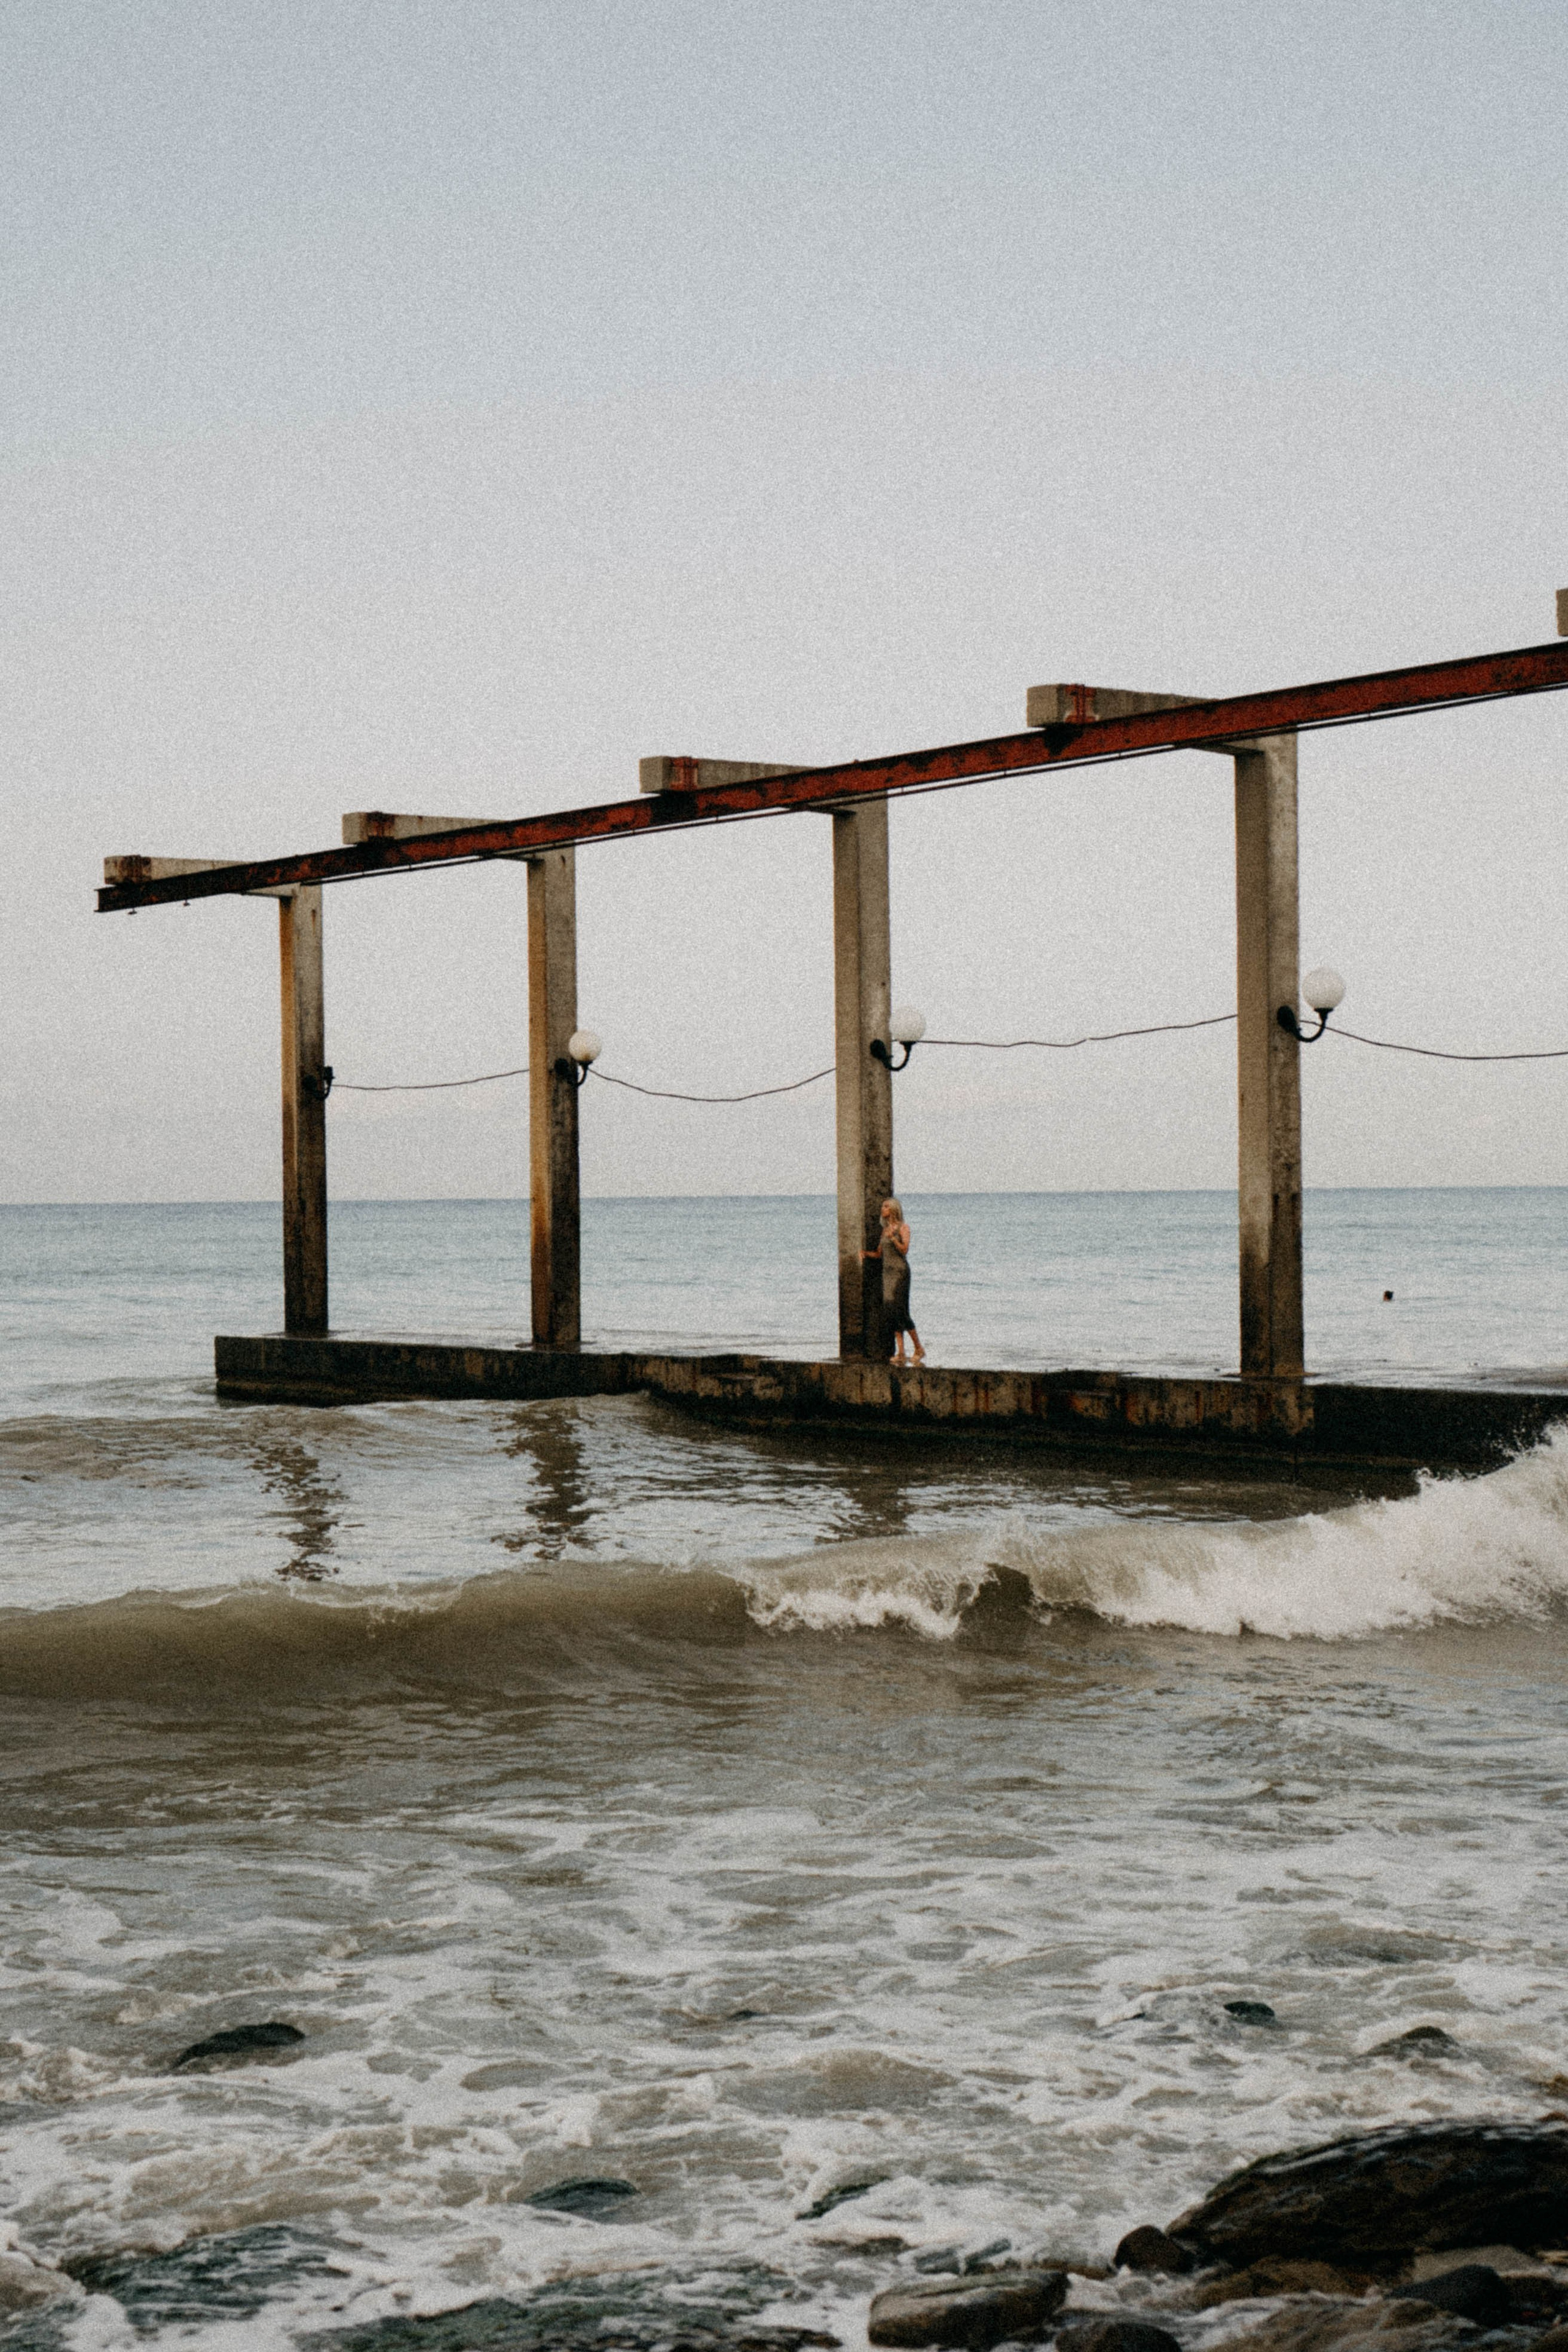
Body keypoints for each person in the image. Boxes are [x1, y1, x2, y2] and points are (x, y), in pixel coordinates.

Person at [864, 1196, 924, 1365]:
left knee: (901, 1311)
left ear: (893, 1209)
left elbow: (905, 1250)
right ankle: (901, 1352)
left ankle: (919, 1348)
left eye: (886, 1207)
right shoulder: (885, 1230)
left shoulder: (904, 1228)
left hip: (900, 1273)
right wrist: (865, 1254)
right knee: (891, 1311)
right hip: (887, 1274)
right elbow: (879, 1254)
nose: (883, 1210)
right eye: (883, 1207)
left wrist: (894, 1238)